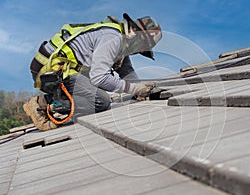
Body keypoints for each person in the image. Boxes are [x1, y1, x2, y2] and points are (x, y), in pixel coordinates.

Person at [23, 13, 162, 131]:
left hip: (64, 71)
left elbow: (127, 73)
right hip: (52, 71)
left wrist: (142, 90)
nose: (138, 51)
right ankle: (42, 104)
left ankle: (61, 101)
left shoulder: (121, 42)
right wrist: (133, 89)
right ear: (133, 34)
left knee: (102, 92)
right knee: (100, 101)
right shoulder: (113, 38)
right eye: (142, 47)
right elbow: (99, 78)